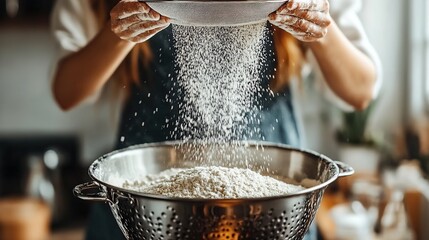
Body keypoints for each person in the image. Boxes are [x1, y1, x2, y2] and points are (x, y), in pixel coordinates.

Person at [50, 0, 381, 239]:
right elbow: (67, 93)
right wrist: (120, 32)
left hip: (276, 213)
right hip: (142, 215)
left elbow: (360, 90)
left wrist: (317, 26)